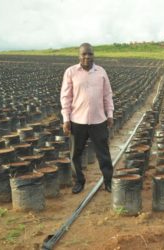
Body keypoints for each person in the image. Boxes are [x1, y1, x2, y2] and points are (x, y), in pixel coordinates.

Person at [60, 43, 114, 194]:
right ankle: (79, 181)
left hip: (99, 120)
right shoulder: (70, 72)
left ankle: (108, 181)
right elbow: (66, 97)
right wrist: (66, 119)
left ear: (93, 55)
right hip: (78, 121)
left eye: (90, 54)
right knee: (75, 154)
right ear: (79, 56)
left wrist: (109, 114)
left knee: (103, 153)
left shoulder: (101, 72)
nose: (87, 57)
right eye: (84, 54)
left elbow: (107, 95)